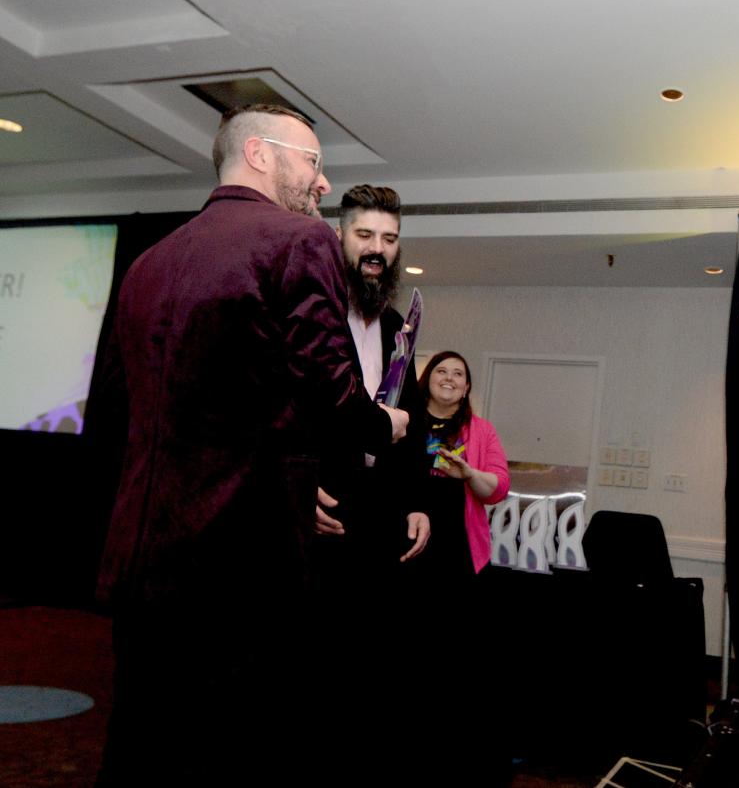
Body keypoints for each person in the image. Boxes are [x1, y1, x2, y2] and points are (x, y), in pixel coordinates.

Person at [95, 104, 409, 786]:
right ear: (261, 155)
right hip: (237, 562)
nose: (323, 185)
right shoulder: (298, 241)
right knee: (233, 751)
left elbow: (119, 408)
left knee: (140, 743)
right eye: (314, 163)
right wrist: (384, 424)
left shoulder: (148, 262)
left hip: (142, 558)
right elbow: (332, 389)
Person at [309, 184, 431, 781]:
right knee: (310, 667)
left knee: (370, 662)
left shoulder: (395, 329)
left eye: (388, 238)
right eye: (365, 236)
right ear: (340, 238)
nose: (377, 249)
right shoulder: (310, 311)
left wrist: (416, 502)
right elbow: (275, 410)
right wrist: (294, 485)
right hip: (319, 511)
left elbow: (407, 424)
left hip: (376, 518)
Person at [400, 349, 511, 784]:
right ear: (426, 379)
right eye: (441, 371)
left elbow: (497, 488)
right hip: (406, 551)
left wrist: (469, 474)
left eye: (458, 374)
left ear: (467, 388)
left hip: (460, 557)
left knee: (452, 658)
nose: (449, 378)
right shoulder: (403, 424)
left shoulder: (480, 431)